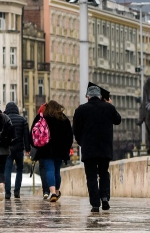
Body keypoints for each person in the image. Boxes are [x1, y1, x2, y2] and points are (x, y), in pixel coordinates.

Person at [73, 82, 121, 211]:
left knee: (91, 176)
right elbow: (118, 120)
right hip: (105, 148)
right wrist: (110, 105)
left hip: (89, 149)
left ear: (87, 96)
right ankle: (104, 198)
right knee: (104, 173)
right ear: (100, 96)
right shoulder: (108, 108)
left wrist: (81, 142)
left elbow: (76, 130)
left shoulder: (81, 110)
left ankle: (95, 204)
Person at [31, 100, 74, 202]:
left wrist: (35, 146)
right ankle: (57, 191)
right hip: (60, 150)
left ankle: (52, 192)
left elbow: (33, 133)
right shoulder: (64, 119)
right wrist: (67, 148)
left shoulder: (41, 117)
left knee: (49, 169)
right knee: (56, 170)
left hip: (45, 149)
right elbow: (69, 136)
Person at [3, 102, 31, 200]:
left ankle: (7, 192)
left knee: (8, 170)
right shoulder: (23, 120)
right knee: (19, 170)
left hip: (8, 150)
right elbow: (26, 136)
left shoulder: (5, 119)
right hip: (19, 149)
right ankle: (17, 191)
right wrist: (28, 149)